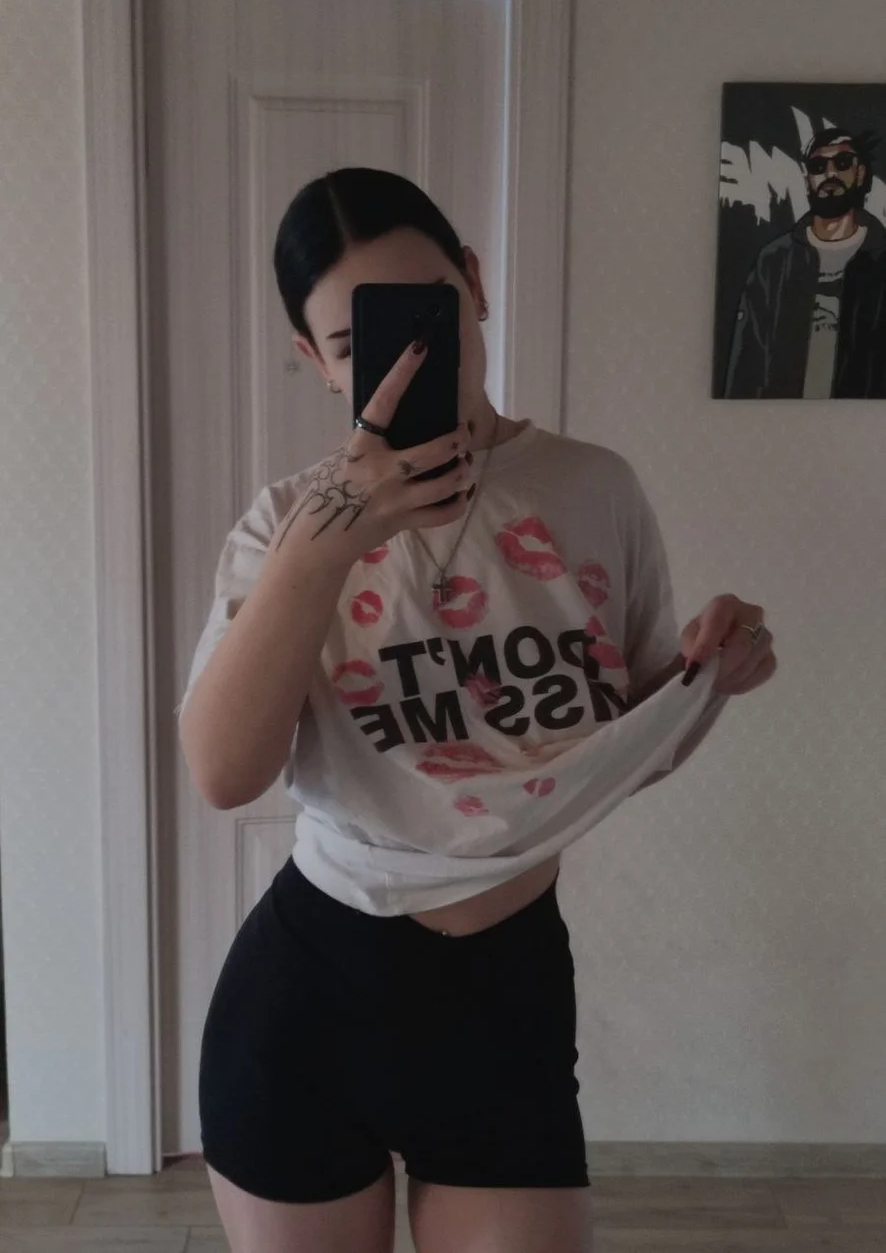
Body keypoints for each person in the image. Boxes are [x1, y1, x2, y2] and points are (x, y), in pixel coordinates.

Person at [179, 167, 777, 1253]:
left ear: (475, 283)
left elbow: (619, 747)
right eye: (361, 342)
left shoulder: (594, 490)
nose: (410, 362)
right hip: (308, 1004)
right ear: (316, 359)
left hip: (508, 1001)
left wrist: (708, 676)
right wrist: (328, 542)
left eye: (427, 316)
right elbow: (225, 773)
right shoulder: (283, 524)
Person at [725, 127, 886, 399]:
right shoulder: (774, 260)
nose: (830, 174)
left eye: (843, 163)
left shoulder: (881, 258)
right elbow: (747, 363)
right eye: (818, 166)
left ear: (860, 173)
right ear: (807, 178)